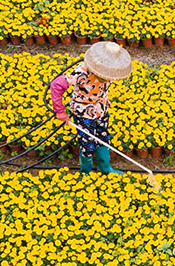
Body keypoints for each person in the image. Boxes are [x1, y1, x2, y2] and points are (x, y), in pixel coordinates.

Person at [50, 42, 133, 175]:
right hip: (84, 112)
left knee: (103, 137)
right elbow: (56, 85)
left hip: (101, 108)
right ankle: (86, 172)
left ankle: (104, 167)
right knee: (88, 142)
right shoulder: (81, 73)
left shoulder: (110, 69)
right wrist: (60, 111)